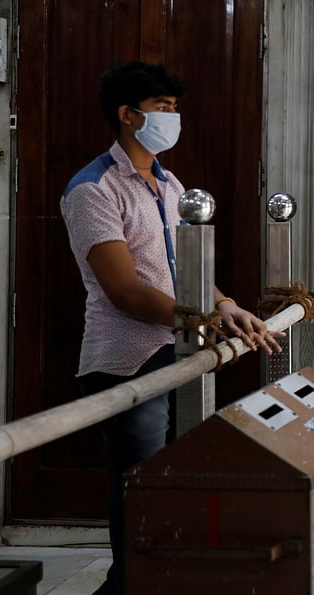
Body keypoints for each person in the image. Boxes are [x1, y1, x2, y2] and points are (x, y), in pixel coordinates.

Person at [61, 61, 281, 595]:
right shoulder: (94, 188)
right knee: (141, 486)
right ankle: (128, 584)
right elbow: (125, 290)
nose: (173, 118)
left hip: (181, 347)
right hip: (126, 359)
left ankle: (170, 577)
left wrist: (225, 304)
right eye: (163, 108)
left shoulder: (169, 182)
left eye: (175, 109)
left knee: (177, 479)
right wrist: (201, 319)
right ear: (127, 115)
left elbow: (186, 270)